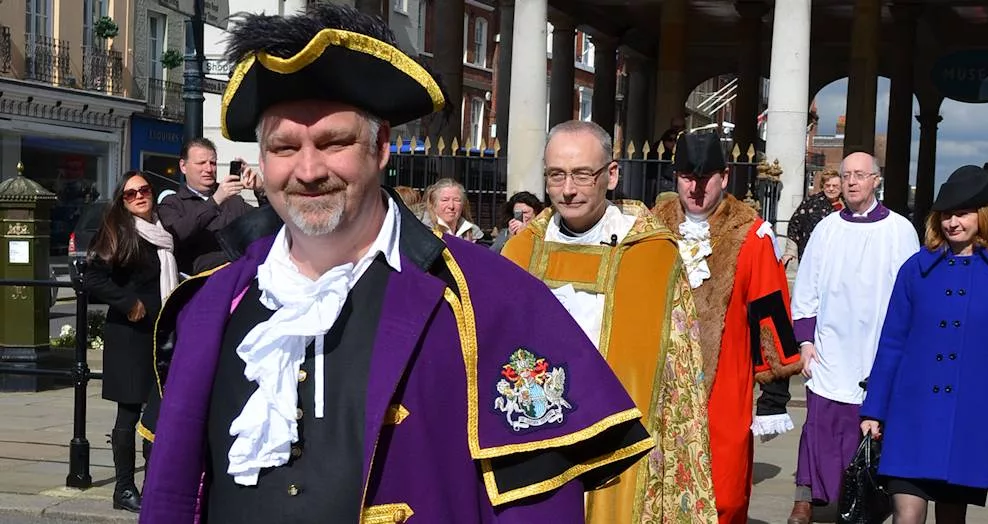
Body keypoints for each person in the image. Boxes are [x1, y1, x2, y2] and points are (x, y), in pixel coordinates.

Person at [139, 5, 653, 523]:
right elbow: (173, 495)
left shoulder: (492, 301)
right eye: (284, 146)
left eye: (334, 142)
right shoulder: (211, 306)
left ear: (380, 146)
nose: (309, 169)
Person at [502, 121, 717, 523]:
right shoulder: (520, 251)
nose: (568, 189)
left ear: (612, 175)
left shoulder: (652, 255)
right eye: (556, 175)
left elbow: (679, 378)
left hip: (621, 445)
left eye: (583, 174)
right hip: (537, 441)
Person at [653, 131, 801, 524]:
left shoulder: (751, 236)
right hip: (656, 388)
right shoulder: (651, 230)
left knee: (725, 494)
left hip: (724, 392)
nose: (696, 188)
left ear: (725, 176)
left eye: (705, 179)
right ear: (675, 177)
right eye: (687, 177)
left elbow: (772, 314)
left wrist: (774, 394)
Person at [860, 165, 988, 524]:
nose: (952, 222)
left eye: (962, 213)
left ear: (985, 215)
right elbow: (892, 343)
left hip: (970, 417)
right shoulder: (915, 269)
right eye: (946, 214)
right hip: (910, 414)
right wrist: (874, 409)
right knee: (906, 516)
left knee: (951, 519)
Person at [787, 151, 919, 524]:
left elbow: (910, 293)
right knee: (818, 425)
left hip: (877, 348)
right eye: (846, 175)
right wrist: (806, 341)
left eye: (860, 175)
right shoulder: (828, 228)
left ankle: (864, 499)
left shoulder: (899, 230)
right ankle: (806, 496)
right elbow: (807, 288)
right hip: (831, 347)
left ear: (876, 180)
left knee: (870, 431)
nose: (852, 181)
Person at [85, 171, 179, 513]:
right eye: (130, 194)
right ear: (122, 201)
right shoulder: (120, 231)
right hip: (129, 335)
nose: (140, 196)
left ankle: (152, 484)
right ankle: (124, 489)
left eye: (144, 190)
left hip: (159, 336)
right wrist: (129, 303)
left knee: (156, 413)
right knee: (128, 412)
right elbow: (92, 275)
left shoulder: (161, 233)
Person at [159, 137, 265, 275]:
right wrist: (215, 201)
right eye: (201, 163)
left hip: (242, 275)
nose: (209, 169)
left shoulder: (233, 200)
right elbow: (177, 234)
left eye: (213, 163)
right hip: (200, 283)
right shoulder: (172, 203)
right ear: (183, 166)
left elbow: (265, 226)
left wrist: (262, 190)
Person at [781, 169, 843, 266]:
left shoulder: (849, 204)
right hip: (813, 255)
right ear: (822, 186)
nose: (831, 189)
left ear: (841, 187)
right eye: (827, 185)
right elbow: (795, 224)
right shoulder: (810, 203)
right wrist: (790, 251)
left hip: (839, 254)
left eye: (835, 186)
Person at [420, 177, 484, 242]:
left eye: (457, 200)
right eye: (445, 200)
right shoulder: (422, 232)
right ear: (433, 203)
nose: (451, 206)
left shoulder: (473, 233)